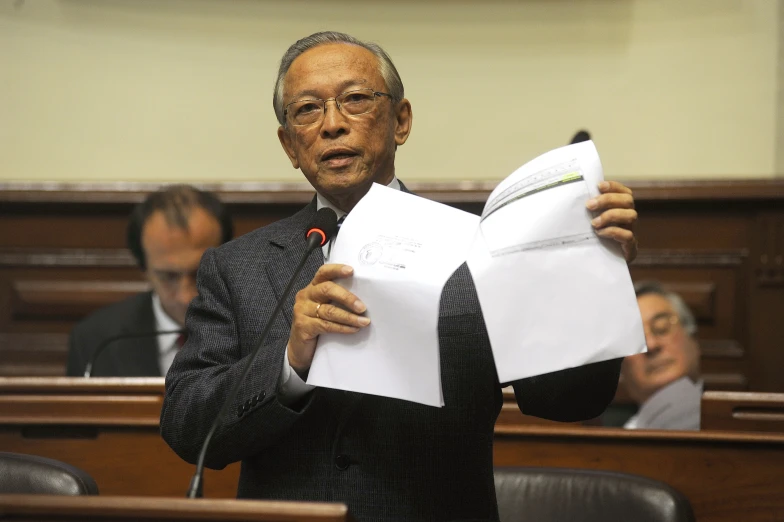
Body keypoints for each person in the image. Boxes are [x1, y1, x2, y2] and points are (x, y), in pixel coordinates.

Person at [160, 32, 639, 521]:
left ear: (401, 121)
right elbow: (187, 424)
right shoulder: (239, 266)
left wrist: (589, 272)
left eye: (355, 100)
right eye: (306, 109)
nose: (331, 125)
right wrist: (290, 361)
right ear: (288, 144)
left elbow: (568, 399)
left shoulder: (479, 247)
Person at [66, 184, 233, 377]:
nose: (186, 297)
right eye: (168, 277)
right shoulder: (96, 339)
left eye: (200, 274)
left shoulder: (259, 331)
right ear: (144, 269)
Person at [621, 281, 702, 430]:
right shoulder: (613, 445)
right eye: (634, 339)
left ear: (692, 337)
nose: (651, 345)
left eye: (661, 327)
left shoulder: (739, 427)